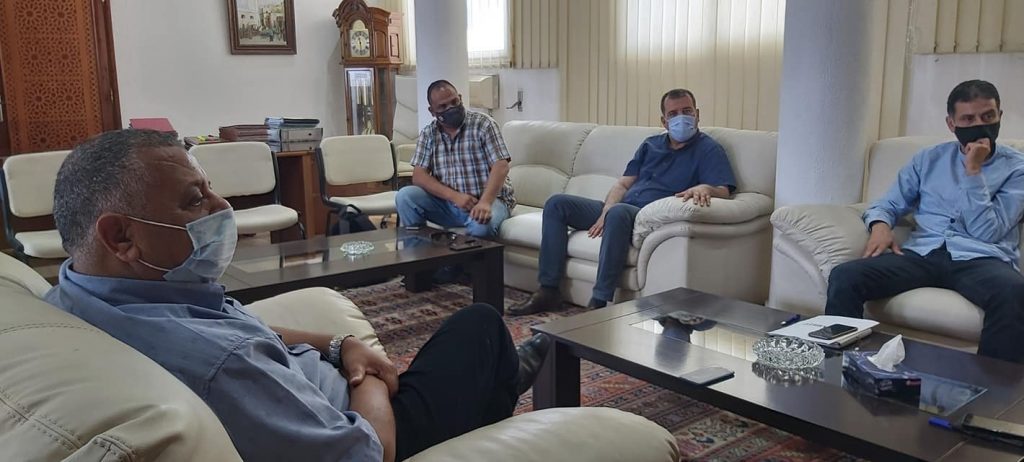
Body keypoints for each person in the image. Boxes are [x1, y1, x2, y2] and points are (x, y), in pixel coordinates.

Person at [44, 129, 551, 462]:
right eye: (195, 199)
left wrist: (341, 344)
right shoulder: (224, 363)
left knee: (479, 357)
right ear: (121, 237)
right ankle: (496, 405)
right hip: (371, 423)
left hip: (326, 386)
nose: (223, 207)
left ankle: (495, 390)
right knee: (481, 326)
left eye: (210, 187)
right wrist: (370, 379)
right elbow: (368, 452)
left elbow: (230, 320)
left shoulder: (79, 293)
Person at [825, 79, 1024, 364]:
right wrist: (880, 226)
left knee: (1014, 293)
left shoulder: (1017, 168)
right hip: (923, 254)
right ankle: (838, 369)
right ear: (951, 124)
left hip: (981, 258)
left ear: (1000, 116)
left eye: (988, 116)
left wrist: (973, 171)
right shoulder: (928, 159)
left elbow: (987, 232)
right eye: (968, 119)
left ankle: (989, 390)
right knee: (846, 276)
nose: (980, 125)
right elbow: (888, 203)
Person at [509, 89, 737, 316]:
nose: (681, 118)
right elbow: (622, 184)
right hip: (619, 208)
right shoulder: (650, 144)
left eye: (687, 111)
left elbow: (724, 190)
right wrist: (605, 211)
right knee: (557, 204)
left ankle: (599, 302)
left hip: (645, 215)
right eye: (673, 114)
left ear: (697, 114)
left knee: (618, 212)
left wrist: (705, 188)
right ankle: (548, 291)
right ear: (664, 121)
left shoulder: (708, 149)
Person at [395, 79, 516, 239]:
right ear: (432, 111)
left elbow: (501, 166)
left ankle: (472, 256)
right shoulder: (429, 134)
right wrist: (454, 196)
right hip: (448, 203)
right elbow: (419, 176)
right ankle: (420, 252)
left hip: (489, 200)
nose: (451, 108)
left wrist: (485, 202)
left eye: (454, 102)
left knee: (480, 225)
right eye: (443, 106)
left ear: (460, 98)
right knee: (405, 196)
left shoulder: (483, 124)